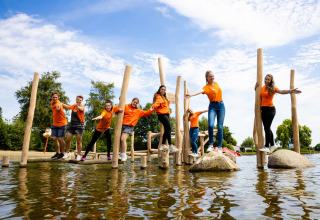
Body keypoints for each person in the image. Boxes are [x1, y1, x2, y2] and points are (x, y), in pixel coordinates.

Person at [255, 74, 301, 153]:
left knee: (267, 128)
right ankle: (273, 145)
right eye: (265, 79)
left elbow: (282, 91)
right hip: (263, 109)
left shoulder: (273, 88)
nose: (266, 81)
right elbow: (258, 93)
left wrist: (291, 91)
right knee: (267, 128)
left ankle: (266, 146)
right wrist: (255, 87)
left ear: (271, 81)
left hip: (270, 110)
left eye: (268, 79)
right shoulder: (262, 87)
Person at [185, 70, 225, 154]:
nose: (212, 77)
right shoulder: (206, 87)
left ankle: (220, 147)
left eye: (213, 76)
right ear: (207, 78)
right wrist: (191, 95)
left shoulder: (216, 83)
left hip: (221, 106)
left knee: (220, 127)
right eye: (210, 76)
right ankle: (211, 145)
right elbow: (200, 91)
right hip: (212, 106)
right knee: (210, 125)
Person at [117, 98, 154, 162]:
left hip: (129, 126)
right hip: (121, 125)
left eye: (136, 103)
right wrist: (120, 101)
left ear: (137, 104)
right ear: (132, 101)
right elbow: (118, 109)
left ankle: (124, 155)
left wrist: (152, 108)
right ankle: (121, 154)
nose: (135, 104)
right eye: (134, 102)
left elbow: (146, 113)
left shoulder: (138, 111)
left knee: (123, 139)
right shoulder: (126, 106)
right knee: (120, 141)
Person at [152, 85, 178, 153]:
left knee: (167, 129)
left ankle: (163, 144)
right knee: (169, 128)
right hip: (162, 114)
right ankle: (170, 145)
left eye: (164, 90)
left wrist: (170, 102)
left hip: (166, 114)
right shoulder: (158, 96)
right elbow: (157, 103)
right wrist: (152, 107)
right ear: (159, 90)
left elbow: (164, 105)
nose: (163, 91)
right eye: (162, 89)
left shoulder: (164, 97)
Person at [61, 95, 85, 161]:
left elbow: (81, 109)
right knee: (67, 139)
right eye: (77, 99)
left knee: (78, 141)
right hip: (72, 125)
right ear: (75, 99)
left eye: (80, 100)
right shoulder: (74, 106)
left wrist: (78, 107)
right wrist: (61, 103)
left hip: (79, 125)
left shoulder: (82, 107)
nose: (78, 101)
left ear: (82, 101)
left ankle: (79, 155)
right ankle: (67, 153)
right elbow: (68, 107)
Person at [50, 92, 67, 159]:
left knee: (60, 138)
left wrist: (58, 107)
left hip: (62, 123)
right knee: (54, 138)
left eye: (56, 97)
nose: (55, 98)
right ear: (52, 97)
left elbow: (58, 106)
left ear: (58, 98)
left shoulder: (58, 104)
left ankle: (62, 153)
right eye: (54, 97)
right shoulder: (52, 102)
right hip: (55, 124)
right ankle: (58, 153)